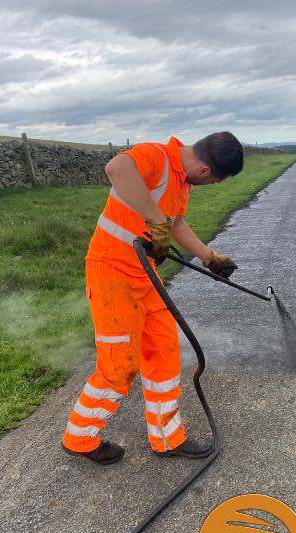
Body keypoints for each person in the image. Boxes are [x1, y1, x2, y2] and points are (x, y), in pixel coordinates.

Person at [62, 132, 243, 464]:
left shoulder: (181, 181)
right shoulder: (156, 157)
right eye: (215, 181)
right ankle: (79, 437)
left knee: (163, 350)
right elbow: (117, 168)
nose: (211, 185)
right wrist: (156, 220)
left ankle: (167, 438)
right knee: (120, 365)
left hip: (144, 275)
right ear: (206, 172)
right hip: (111, 272)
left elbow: (175, 224)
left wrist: (209, 257)